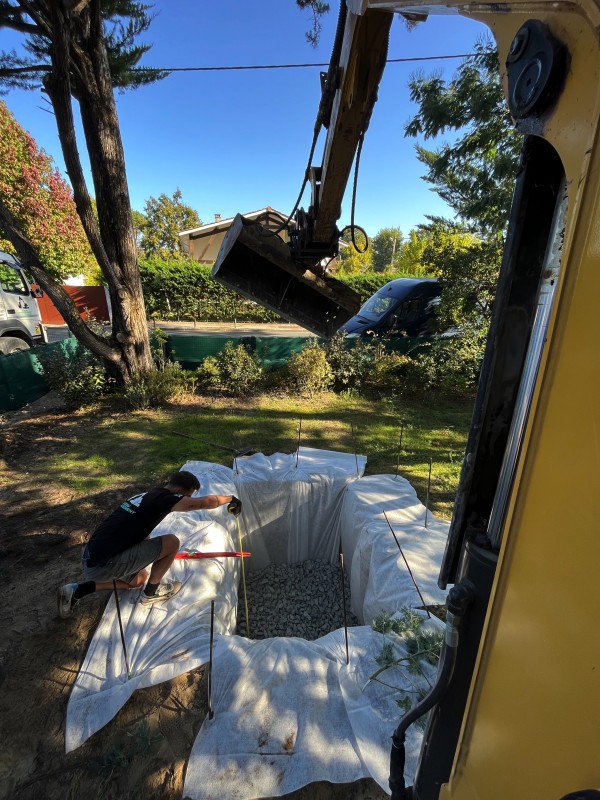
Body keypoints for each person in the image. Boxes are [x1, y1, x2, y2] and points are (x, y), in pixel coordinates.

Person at [57, 470, 242, 618]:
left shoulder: (149, 495)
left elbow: (136, 529)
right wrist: (230, 499)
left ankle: (77, 590)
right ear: (181, 492)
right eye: (188, 495)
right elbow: (203, 503)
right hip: (102, 565)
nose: (188, 499)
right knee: (171, 542)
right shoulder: (164, 500)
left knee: (138, 580)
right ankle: (151, 594)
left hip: (92, 557)